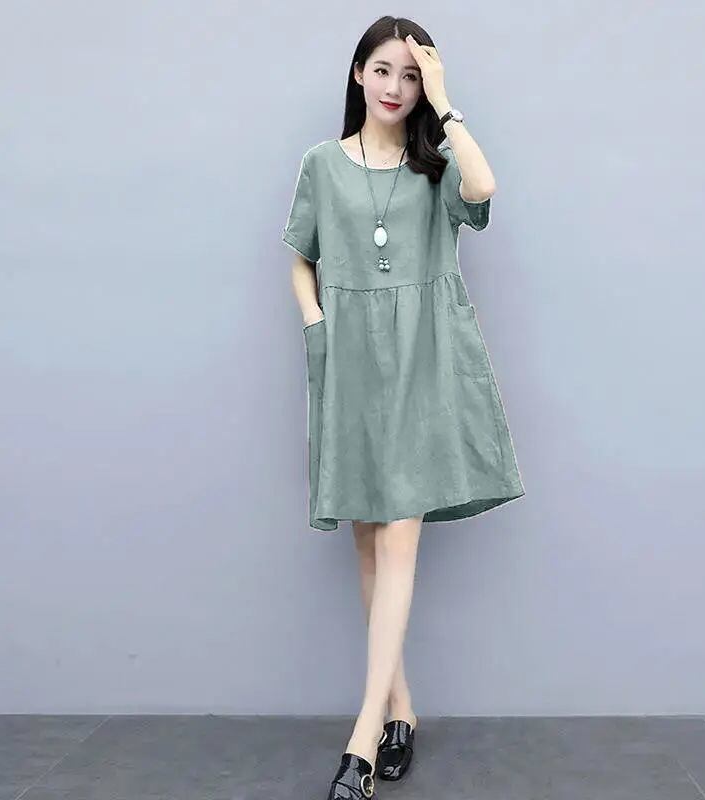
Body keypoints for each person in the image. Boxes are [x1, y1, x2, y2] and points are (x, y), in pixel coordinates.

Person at [281, 16, 525, 800]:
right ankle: (401, 711)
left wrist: (446, 101)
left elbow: (483, 189)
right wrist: (316, 324)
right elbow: (300, 258)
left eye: (411, 75)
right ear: (358, 74)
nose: (395, 87)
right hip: (351, 363)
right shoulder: (321, 164)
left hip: (422, 362)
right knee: (367, 542)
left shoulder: (435, 165)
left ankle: (362, 741)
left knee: (399, 541)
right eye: (383, 70)